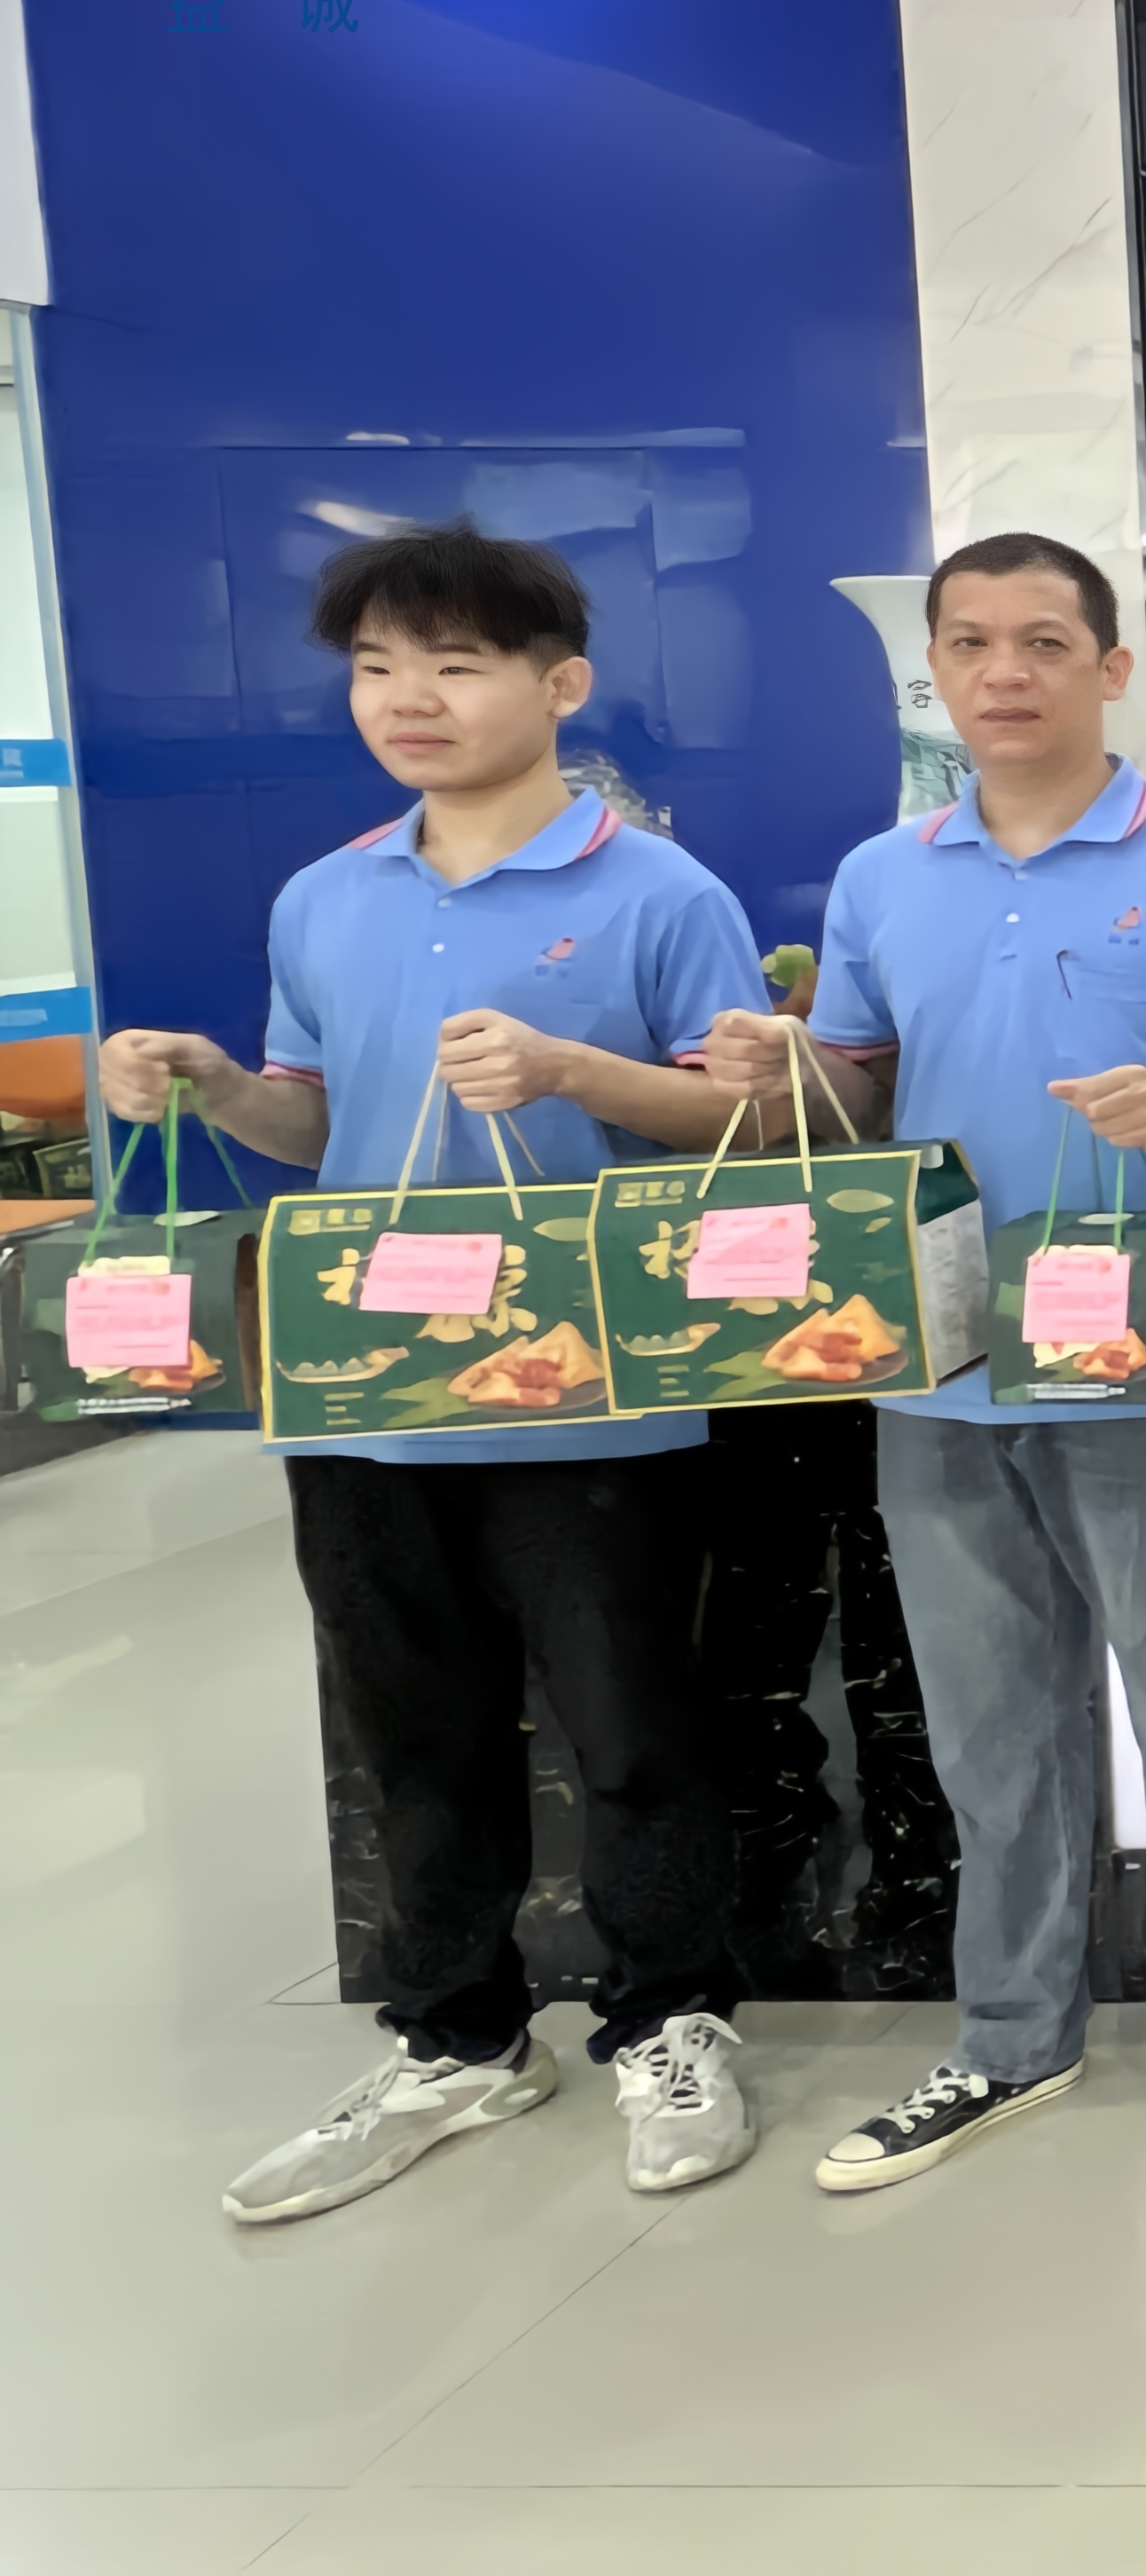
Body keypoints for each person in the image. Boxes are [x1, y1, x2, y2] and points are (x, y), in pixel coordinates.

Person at [107, 523, 772, 2222]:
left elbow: (739, 1123)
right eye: (377, 667)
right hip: (368, 1392)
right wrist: (214, 1086)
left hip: (597, 1391)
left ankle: (671, 2020)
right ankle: (458, 2038)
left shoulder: (659, 893)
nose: (409, 698)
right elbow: (316, 1121)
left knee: (632, 1731)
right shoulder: (324, 897)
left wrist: (572, 1070)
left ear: (562, 685)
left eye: (456, 664)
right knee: (414, 1733)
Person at [703, 533, 1146, 2198]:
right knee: (990, 1723)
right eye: (972, 643)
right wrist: (782, 1064)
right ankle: (1011, 2036)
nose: (1006, 673)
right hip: (937, 1359)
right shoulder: (881, 876)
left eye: (1045, 642)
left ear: (1110, 668)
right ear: (937, 671)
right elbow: (854, 1084)